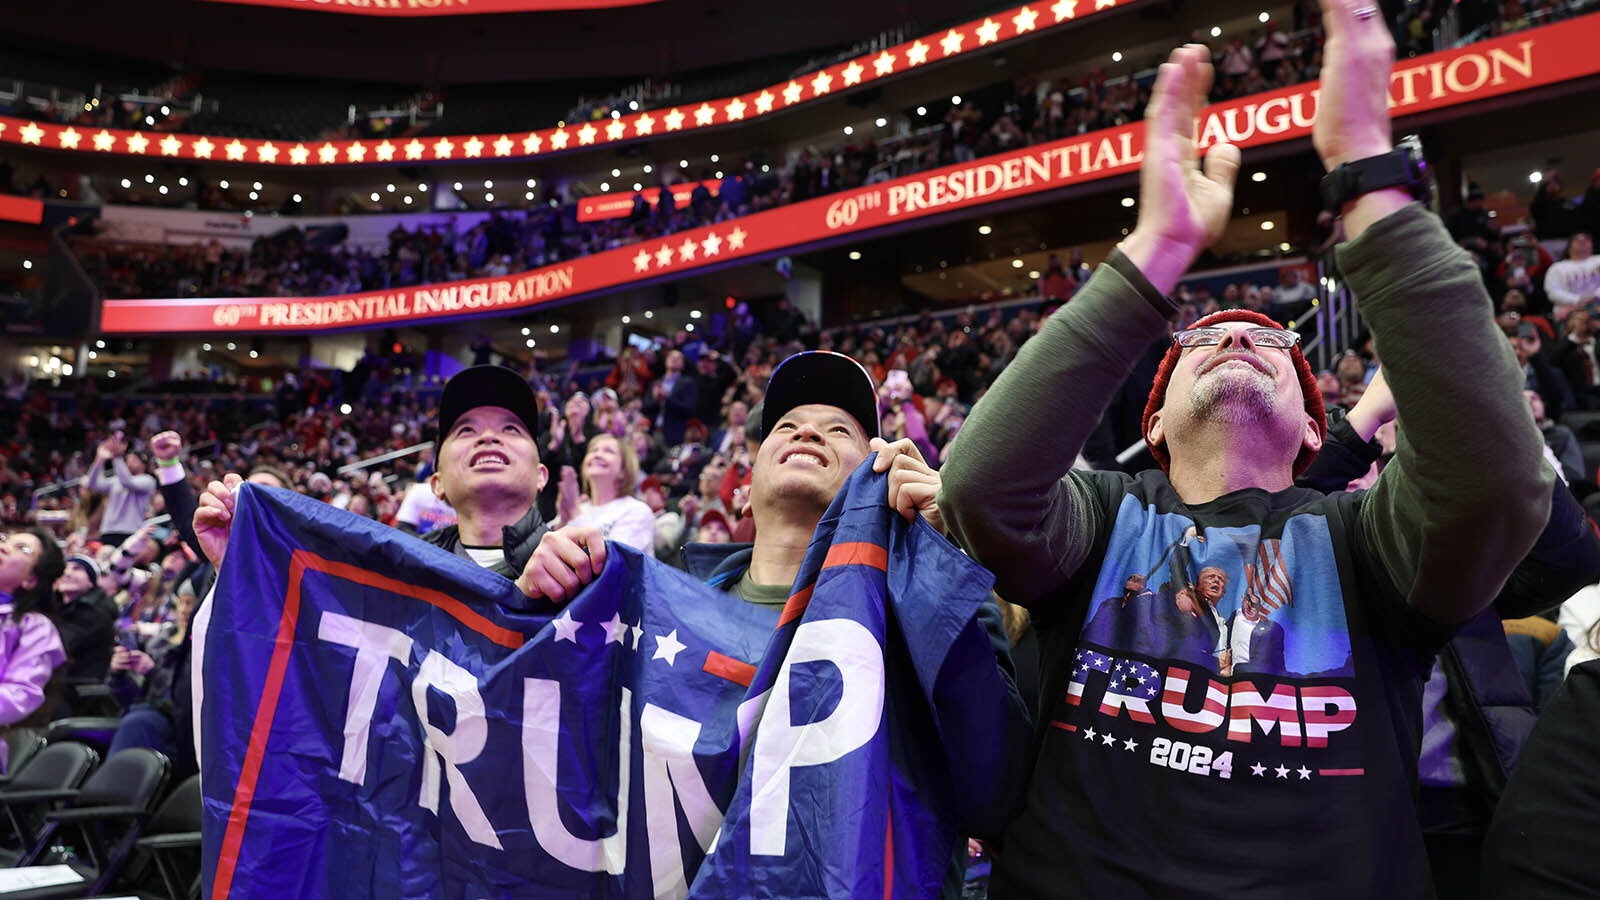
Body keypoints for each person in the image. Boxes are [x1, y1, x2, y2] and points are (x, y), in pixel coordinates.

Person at [933, 5, 1550, 895]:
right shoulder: (1107, 518)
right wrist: (1158, 248)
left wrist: (1369, 176)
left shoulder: (1364, 541)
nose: (1236, 339)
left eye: (1271, 345)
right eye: (1200, 340)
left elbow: (1497, 485)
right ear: (1152, 426)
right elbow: (983, 491)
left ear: (1313, 428)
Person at [0, 529, 67, 761]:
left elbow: (20, 693)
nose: (4, 546)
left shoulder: (34, 628)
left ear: (30, 580)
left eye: (22, 549)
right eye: (6, 539)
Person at [554, 433, 655, 556]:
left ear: (623, 470)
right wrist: (563, 520)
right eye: (593, 450)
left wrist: (574, 514)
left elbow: (615, 562)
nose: (597, 455)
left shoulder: (637, 511)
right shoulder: (579, 507)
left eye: (608, 451)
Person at [50, 553, 119, 683]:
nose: (67, 573)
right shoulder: (60, 606)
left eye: (77, 568)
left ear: (91, 582)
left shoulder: (96, 613)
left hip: (77, 690)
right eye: (65, 568)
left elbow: (57, 648)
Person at [86, 432, 156, 547]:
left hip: (130, 531)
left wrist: (117, 456)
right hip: (108, 530)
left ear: (144, 464)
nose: (129, 462)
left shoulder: (148, 480)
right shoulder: (115, 480)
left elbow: (128, 483)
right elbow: (92, 485)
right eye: (128, 459)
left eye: (134, 459)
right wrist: (99, 461)